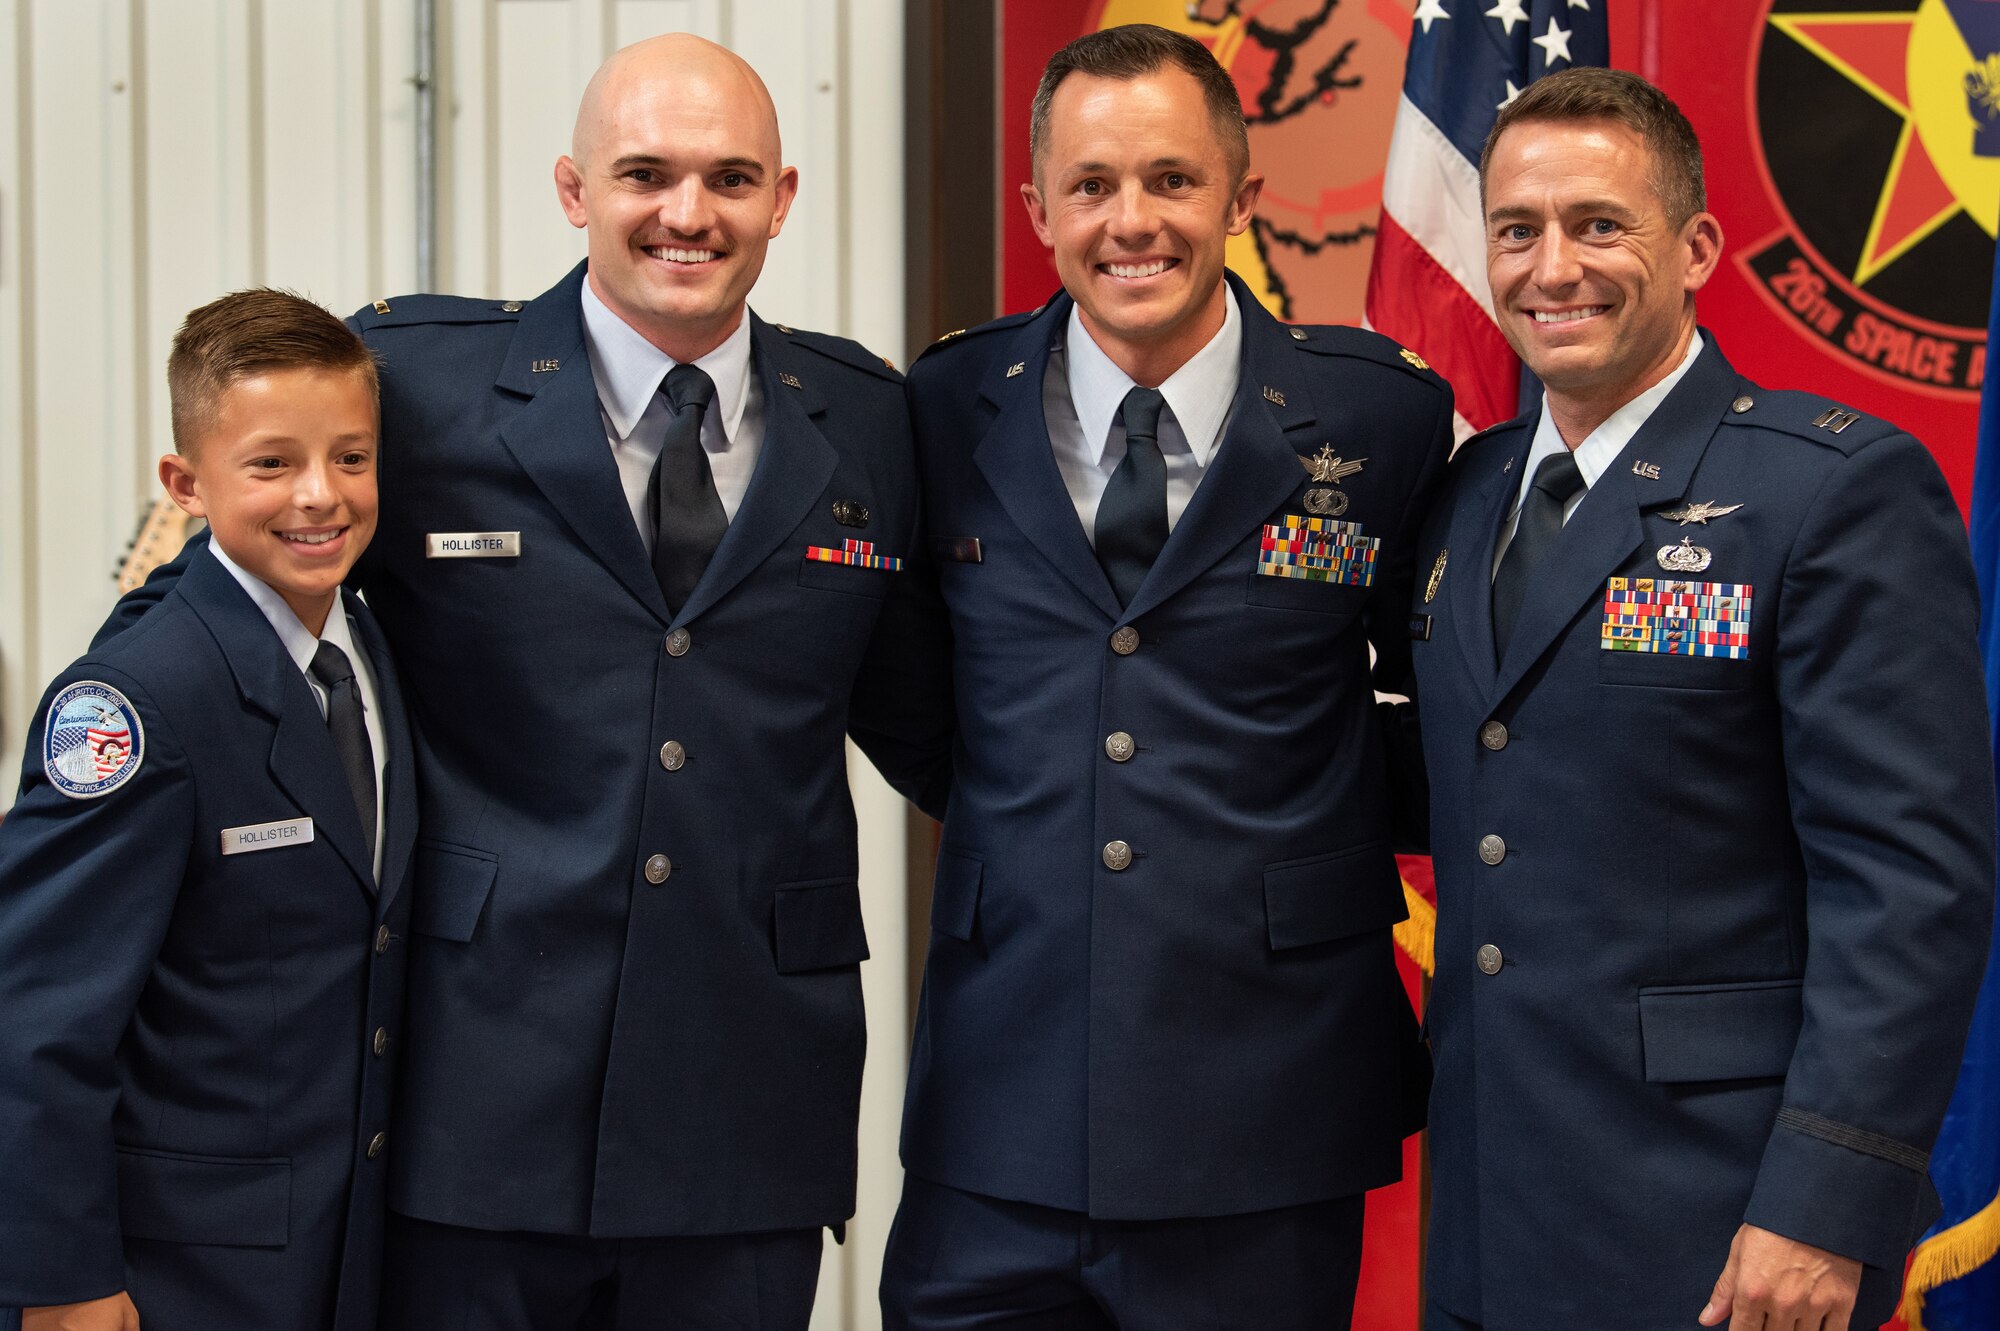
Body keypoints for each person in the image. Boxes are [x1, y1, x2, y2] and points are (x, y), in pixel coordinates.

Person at [99, 33, 930, 1331]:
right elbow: (230, 584)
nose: (686, 212)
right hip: (474, 1092)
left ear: (782, 197)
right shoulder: (419, 383)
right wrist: (111, 723)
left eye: (730, 176)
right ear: (572, 188)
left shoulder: (870, 414)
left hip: (747, 1102)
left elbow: (928, 707)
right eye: (644, 172)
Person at [877, 24, 1451, 1330]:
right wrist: (1033, 806)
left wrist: (1316, 818)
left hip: (1269, 1091)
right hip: (1000, 1090)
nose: (1132, 221)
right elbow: (914, 692)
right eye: (1091, 186)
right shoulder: (944, 402)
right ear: (1038, 210)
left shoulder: (1381, 417)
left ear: (1242, 198)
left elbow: (1455, 694)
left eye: (1172, 181)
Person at [1410, 67, 1997, 1331]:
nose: (1549, 265)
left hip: (1721, 1222)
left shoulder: (1829, 494)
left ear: (1695, 249)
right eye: (1516, 229)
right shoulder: (1461, 494)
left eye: (1597, 224)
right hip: (1484, 1202)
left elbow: (1908, 884)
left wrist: (1819, 1205)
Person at [0, 289, 415, 1331]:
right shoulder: (138, 701)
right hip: (171, 1271)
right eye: (270, 463)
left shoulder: (365, 643)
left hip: (337, 1251)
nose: (319, 495)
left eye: (350, 457)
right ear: (186, 483)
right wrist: (62, 1283)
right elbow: (37, 1019)